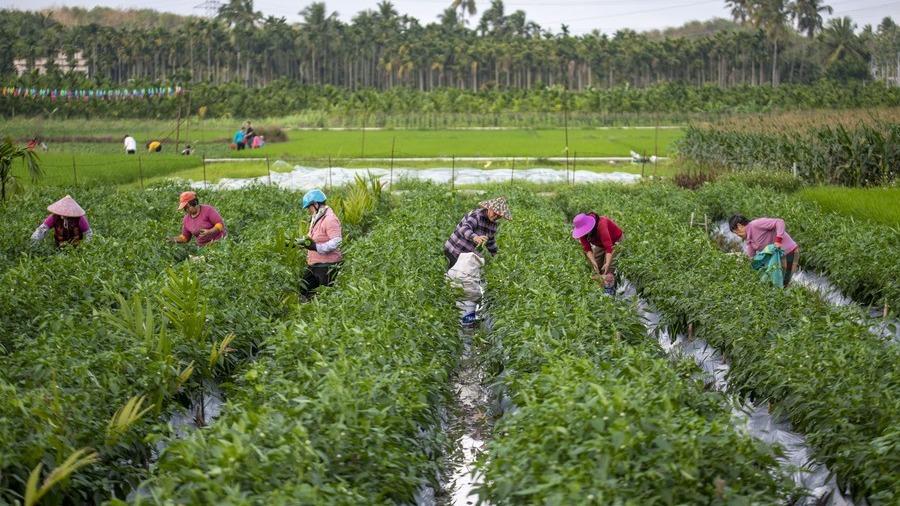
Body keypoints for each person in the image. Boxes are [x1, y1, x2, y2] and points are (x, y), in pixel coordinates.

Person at [444, 197, 511, 328]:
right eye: (495, 212)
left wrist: (496, 255)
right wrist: (475, 237)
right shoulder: (476, 216)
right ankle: (454, 311)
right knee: (456, 279)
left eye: (499, 215)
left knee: (465, 283)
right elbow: (465, 229)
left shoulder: (493, 225)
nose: (496, 215)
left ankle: (465, 315)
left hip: (467, 256)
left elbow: (490, 242)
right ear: (488, 208)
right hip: (455, 251)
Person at [729, 214, 800, 287]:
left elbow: (779, 222)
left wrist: (778, 241)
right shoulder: (749, 240)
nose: (737, 235)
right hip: (777, 258)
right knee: (774, 284)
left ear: (739, 226)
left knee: (783, 283)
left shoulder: (756, 224)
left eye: (736, 232)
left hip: (789, 252)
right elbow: (751, 258)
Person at [298, 189, 342, 299]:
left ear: (316, 204)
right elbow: (313, 238)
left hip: (327, 266)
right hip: (314, 264)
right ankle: (309, 312)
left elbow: (337, 242)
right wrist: (301, 243)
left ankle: (318, 313)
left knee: (325, 296)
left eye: (309, 207)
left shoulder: (330, 219)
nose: (308, 210)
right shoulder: (317, 217)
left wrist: (316, 247)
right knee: (303, 289)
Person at [571, 212, 623, 295]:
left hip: (614, 242)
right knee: (596, 269)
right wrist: (593, 262)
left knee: (608, 271)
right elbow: (587, 249)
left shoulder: (601, 225)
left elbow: (609, 248)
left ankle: (609, 295)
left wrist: (607, 264)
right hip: (600, 244)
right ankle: (599, 292)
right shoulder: (583, 231)